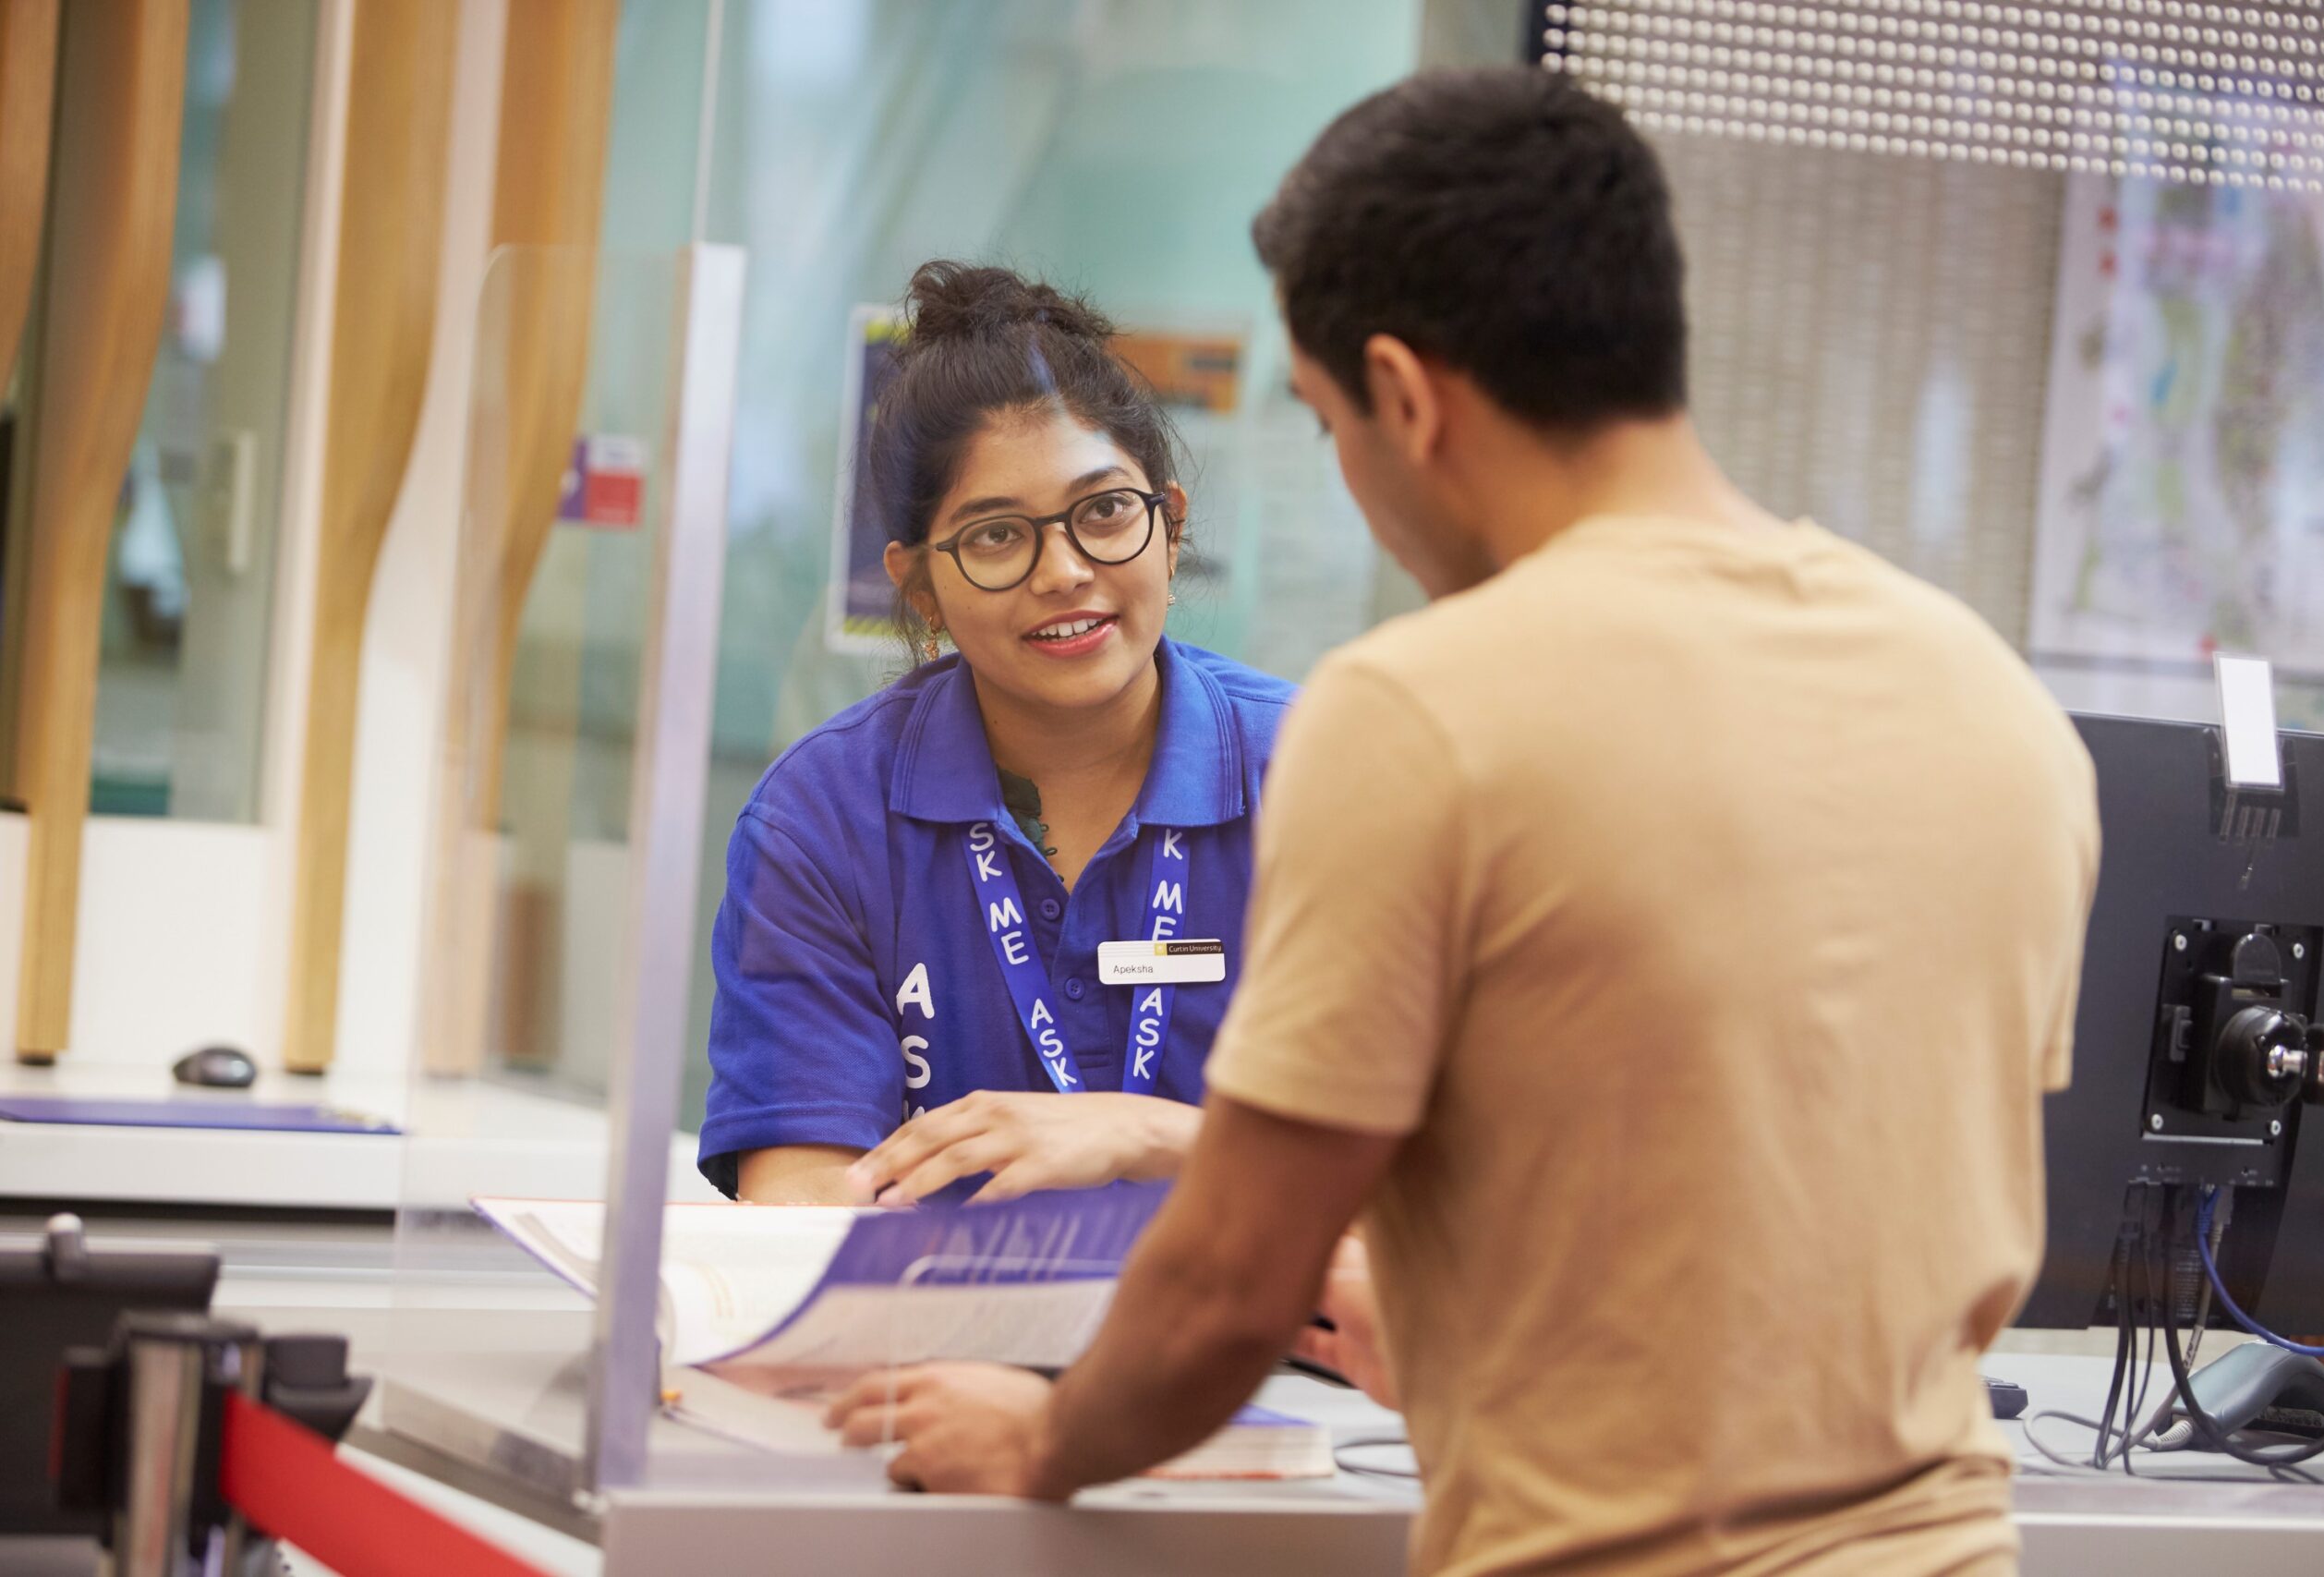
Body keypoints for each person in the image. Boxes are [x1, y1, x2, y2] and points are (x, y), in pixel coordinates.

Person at [822, 67, 2100, 1576]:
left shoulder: (1425, 711)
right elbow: (1796, 1227)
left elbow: (1235, 1282)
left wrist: (1036, 1440)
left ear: (1408, 397)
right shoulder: (1994, 703)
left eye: (1325, 423)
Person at [698, 261, 1293, 1206]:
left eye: (1103, 513)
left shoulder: (1317, 773)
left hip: (1270, 1352)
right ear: (919, 586)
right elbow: (801, 1205)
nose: (1062, 572)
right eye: (994, 536)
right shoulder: (825, 817)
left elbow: (1443, 1171)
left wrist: (1147, 1133)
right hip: (932, 1342)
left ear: (1170, 531)